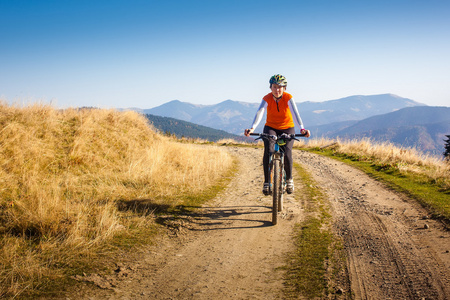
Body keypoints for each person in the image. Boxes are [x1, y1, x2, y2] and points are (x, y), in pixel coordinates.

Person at [244, 74, 310, 195]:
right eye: (274, 87)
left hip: (287, 128)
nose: (277, 89)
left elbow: (296, 113)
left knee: (287, 152)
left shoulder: (288, 97)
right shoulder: (267, 98)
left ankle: (289, 179)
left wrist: (302, 129)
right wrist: (252, 128)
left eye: (280, 87)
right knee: (268, 151)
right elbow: (260, 112)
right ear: (270, 87)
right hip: (271, 127)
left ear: (284, 88)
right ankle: (267, 182)